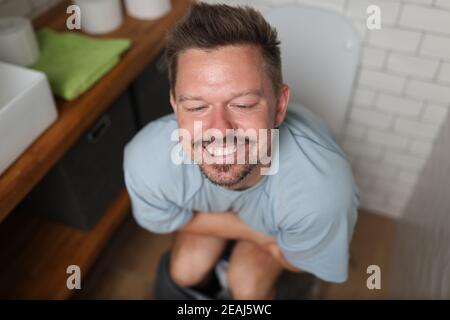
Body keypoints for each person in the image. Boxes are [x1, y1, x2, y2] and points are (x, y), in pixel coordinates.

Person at [123, 2, 360, 300]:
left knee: (247, 283)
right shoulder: (148, 161)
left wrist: (271, 244)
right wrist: (259, 235)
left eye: (244, 104)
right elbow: (162, 219)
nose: (220, 130)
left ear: (279, 106)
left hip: (281, 218)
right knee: (185, 269)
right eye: (197, 107)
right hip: (264, 225)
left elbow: (299, 262)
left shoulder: (320, 191)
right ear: (175, 106)